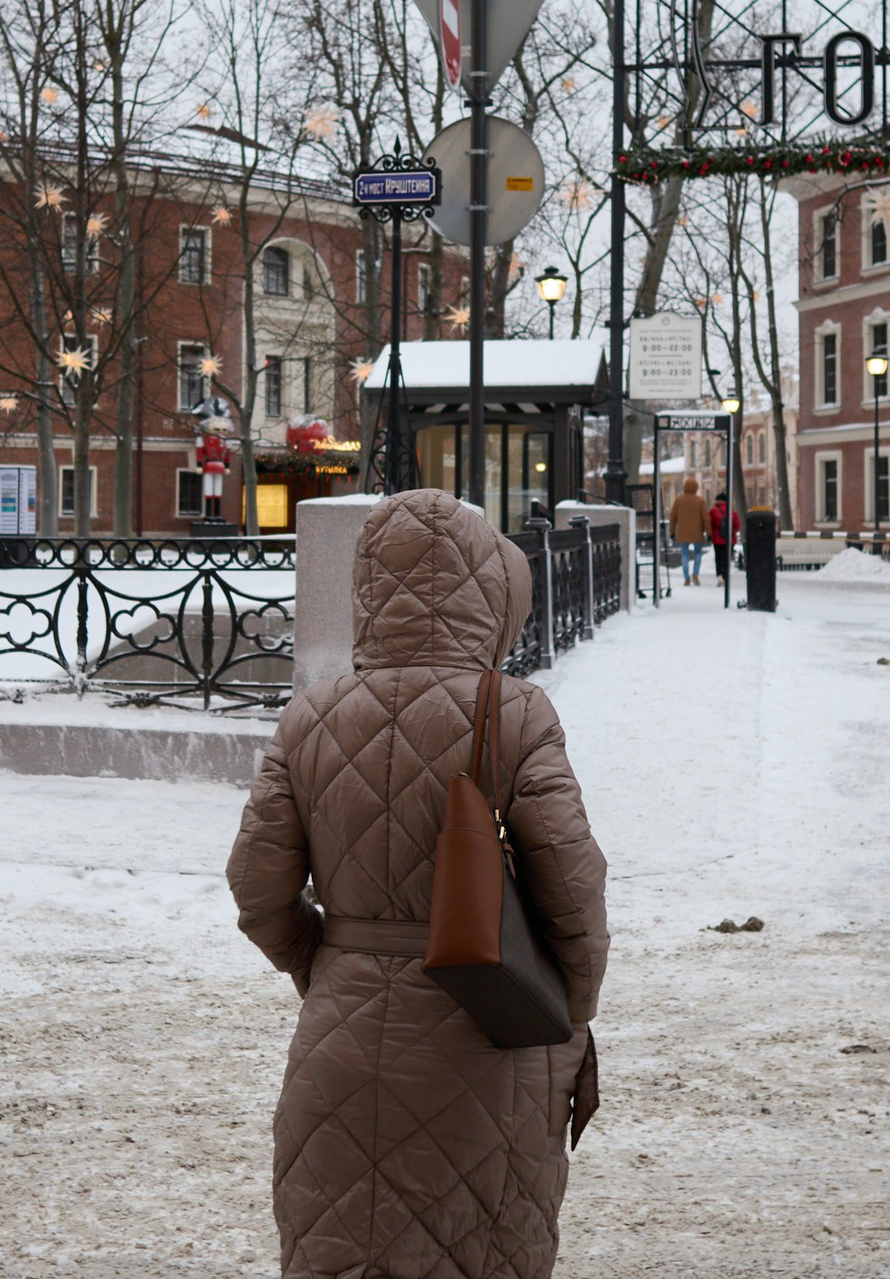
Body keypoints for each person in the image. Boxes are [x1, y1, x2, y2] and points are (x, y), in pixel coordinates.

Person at [229, 488, 610, 1278]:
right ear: (486, 593)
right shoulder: (515, 714)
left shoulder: (311, 716)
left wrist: (329, 964)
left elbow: (256, 887)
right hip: (489, 1042)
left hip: (336, 1050)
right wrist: (568, 1017)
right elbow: (574, 889)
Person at [668, 476, 710, 585]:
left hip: (683, 532)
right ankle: (695, 575)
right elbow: (706, 518)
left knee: (684, 554)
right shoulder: (700, 501)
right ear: (696, 488)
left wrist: (672, 532)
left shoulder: (679, 500)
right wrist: (708, 533)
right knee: (698, 553)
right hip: (697, 532)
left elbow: (673, 517)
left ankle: (686, 578)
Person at [707, 491, 735, 598]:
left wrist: (713, 533)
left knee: (719, 558)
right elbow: (736, 525)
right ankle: (726, 576)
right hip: (730, 539)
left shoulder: (713, 511)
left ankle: (719, 576)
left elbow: (710, 524)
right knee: (727, 558)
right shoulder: (732, 511)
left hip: (718, 539)